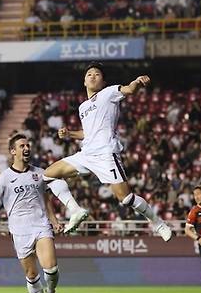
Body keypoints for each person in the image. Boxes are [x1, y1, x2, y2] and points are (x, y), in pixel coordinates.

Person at [42, 62, 172, 241]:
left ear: (103, 81)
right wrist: (70, 134)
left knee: (125, 198)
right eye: (89, 74)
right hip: (86, 154)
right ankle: (76, 210)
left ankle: (158, 223)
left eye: (97, 74)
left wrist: (136, 82)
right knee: (48, 175)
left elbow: (128, 89)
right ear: (84, 82)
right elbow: (88, 133)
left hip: (106, 154)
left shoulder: (109, 93)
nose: (93, 76)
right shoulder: (82, 107)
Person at [0, 134, 64, 293]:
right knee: (31, 275)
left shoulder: (40, 173)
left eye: (28, 144)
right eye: (22, 145)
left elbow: (46, 199)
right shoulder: (3, 179)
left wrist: (53, 221)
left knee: (51, 269)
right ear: (13, 151)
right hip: (19, 230)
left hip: (40, 225)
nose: (26, 148)